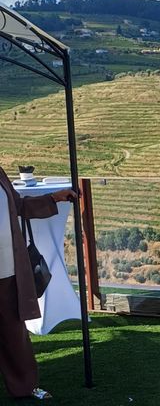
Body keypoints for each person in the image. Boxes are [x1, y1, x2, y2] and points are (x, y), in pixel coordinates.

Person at [0, 166, 77, 400]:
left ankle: (25, 386)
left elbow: (19, 206)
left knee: (13, 331)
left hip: (6, 268)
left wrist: (53, 198)